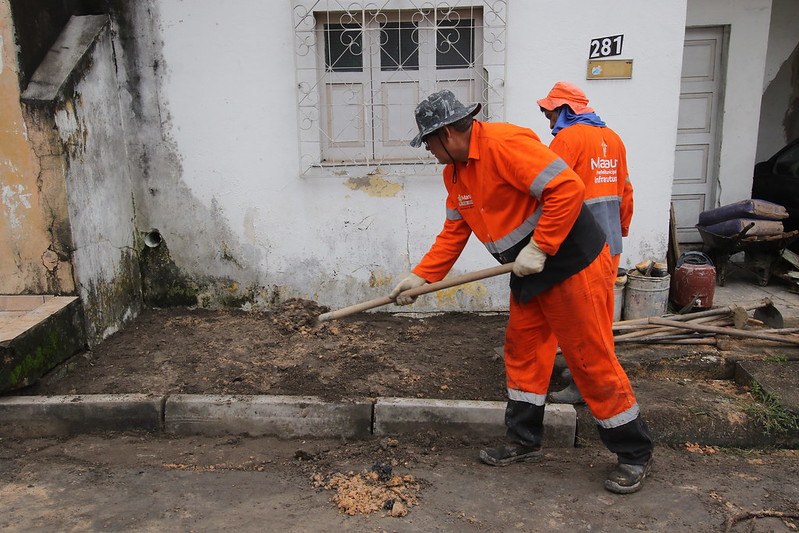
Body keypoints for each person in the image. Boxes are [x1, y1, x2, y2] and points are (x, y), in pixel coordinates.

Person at [389, 89, 653, 494]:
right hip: (529, 269)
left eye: (428, 141)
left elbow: (566, 188)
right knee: (524, 349)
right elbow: (455, 229)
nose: (428, 150)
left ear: (447, 133)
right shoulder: (455, 172)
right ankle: (523, 441)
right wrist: (422, 276)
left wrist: (542, 245)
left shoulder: (503, 144)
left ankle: (634, 454)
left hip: (569, 261)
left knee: (588, 358)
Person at [537, 81, 634, 405]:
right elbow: (626, 191)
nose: (549, 122)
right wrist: (621, 229)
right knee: (600, 316)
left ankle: (589, 384)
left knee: (583, 319)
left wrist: (542, 238)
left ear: (566, 111)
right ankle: (585, 372)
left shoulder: (568, 139)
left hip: (582, 247)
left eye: (550, 113)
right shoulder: (614, 138)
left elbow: (548, 190)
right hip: (610, 243)